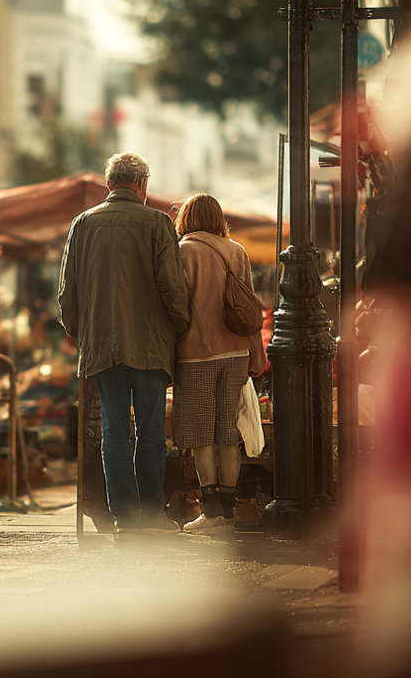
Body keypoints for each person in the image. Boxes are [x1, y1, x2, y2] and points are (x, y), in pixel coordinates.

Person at [58, 152, 190, 534]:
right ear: (143, 185)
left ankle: (125, 518)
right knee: (150, 428)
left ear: (109, 184)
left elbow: (67, 293)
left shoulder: (82, 224)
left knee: (114, 429)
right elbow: (171, 287)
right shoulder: (156, 222)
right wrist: (180, 325)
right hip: (149, 346)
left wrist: (83, 334)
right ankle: (151, 515)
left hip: (101, 347)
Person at [171, 193, 267, 534]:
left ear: (186, 218)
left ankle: (211, 513)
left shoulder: (184, 251)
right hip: (236, 352)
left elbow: (178, 306)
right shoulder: (236, 250)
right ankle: (229, 511)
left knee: (201, 437)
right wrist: (256, 353)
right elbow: (249, 308)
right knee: (228, 433)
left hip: (197, 353)